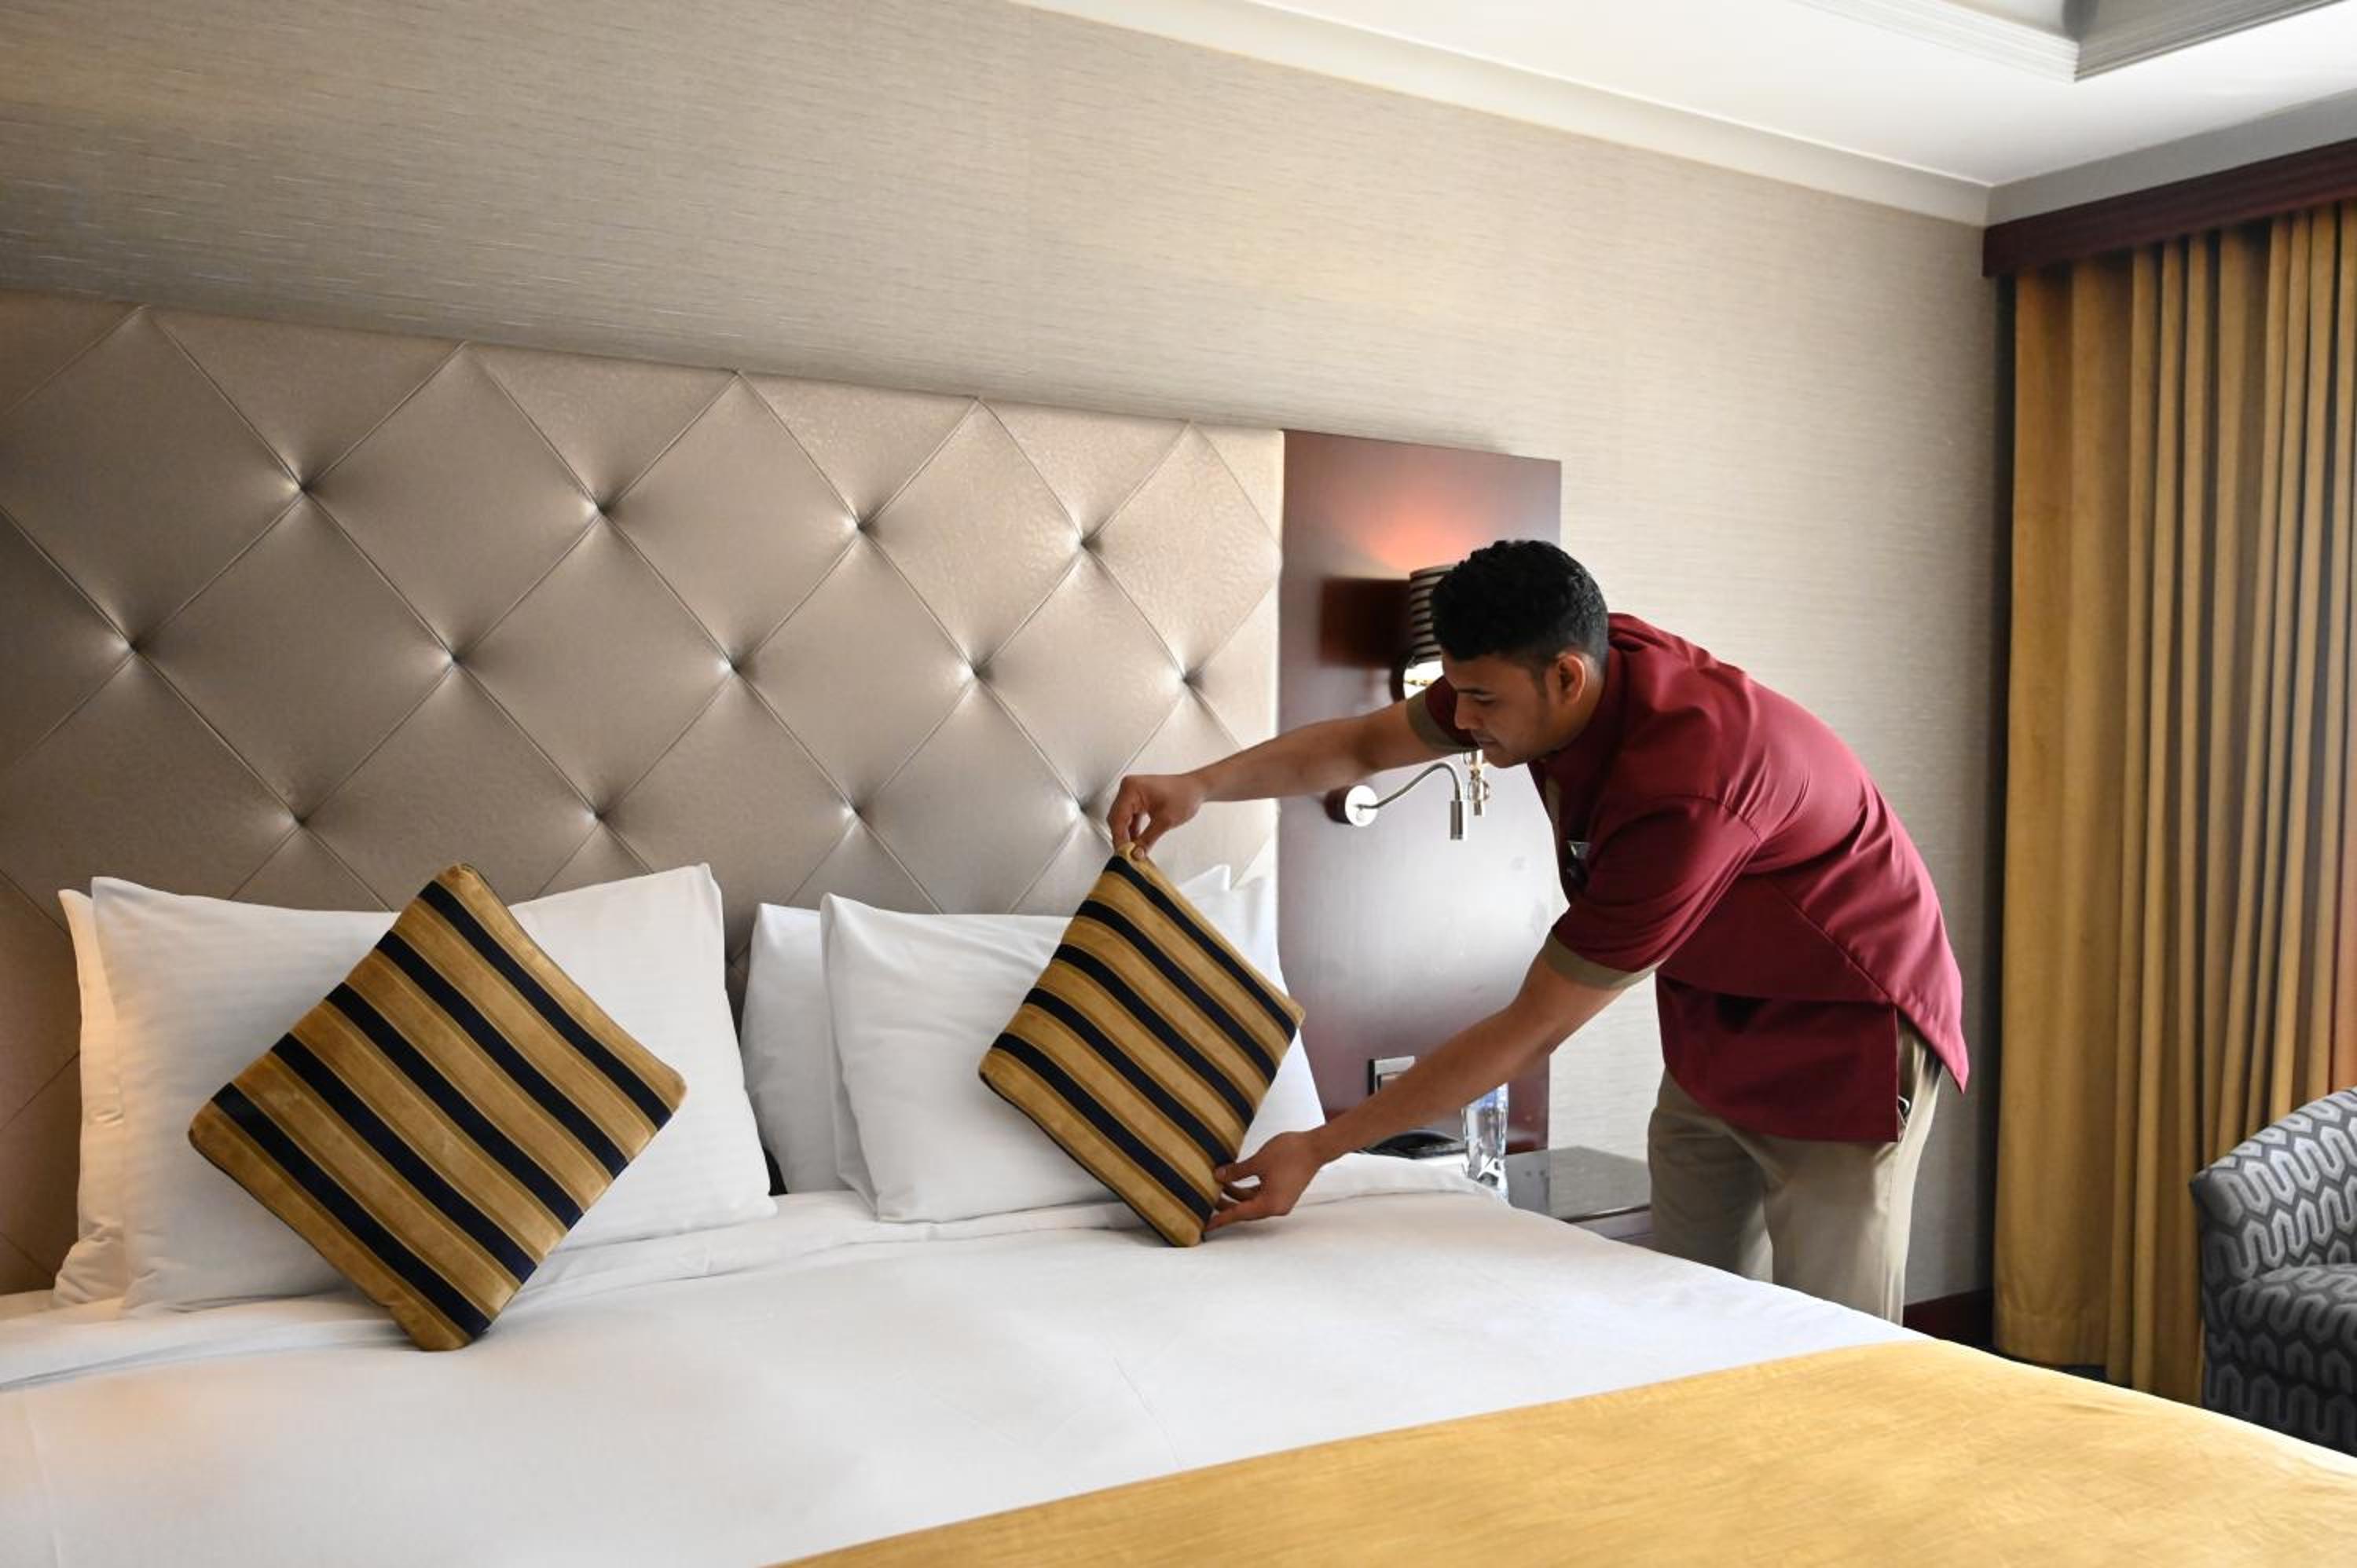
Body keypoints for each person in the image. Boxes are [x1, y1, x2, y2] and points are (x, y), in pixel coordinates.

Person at [1105, 540, 1967, 1321]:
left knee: (1834, 1333)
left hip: (1843, 1027)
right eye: (1458, 692)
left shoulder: (1688, 790)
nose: (1462, 721)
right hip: (1714, 1015)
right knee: (1687, 1307)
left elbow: (1531, 1029)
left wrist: (1321, 1148)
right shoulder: (1553, 664)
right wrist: (1200, 784)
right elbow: (1365, 747)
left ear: (1566, 678)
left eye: (1482, 699)